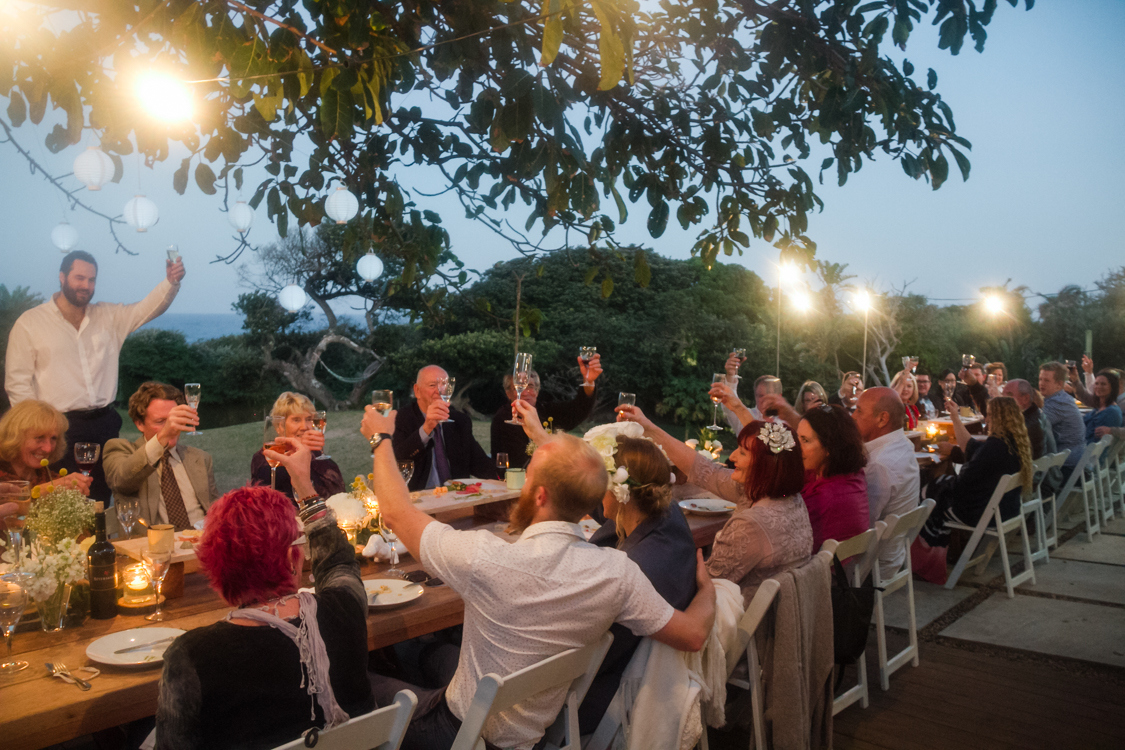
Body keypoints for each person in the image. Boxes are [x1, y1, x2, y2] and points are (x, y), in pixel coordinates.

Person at [366, 400, 716, 750]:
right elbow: (694, 634)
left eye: (528, 473)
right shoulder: (617, 572)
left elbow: (396, 513)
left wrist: (380, 439)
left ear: (541, 494)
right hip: (530, 733)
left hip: (460, 733)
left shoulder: (487, 559)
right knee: (428, 655)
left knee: (355, 687)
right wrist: (708, 590)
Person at [156, 437, 374, 749]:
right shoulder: (345, 608)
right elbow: (339, 563)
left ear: (214, 565)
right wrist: (305, 487)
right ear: (289, 559)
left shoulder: (191, 655)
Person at [4, 250, 184, 502]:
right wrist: (37, 431)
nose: (85, 286)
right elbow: (17, 384)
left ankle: (103, 540)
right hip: (59, 428)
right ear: (62, 277)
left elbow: (147, 309)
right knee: (62, 497)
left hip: (105, 424)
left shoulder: (109, 316)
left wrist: (171, 282)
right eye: (79, 278)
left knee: (103, 495)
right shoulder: (30, 323)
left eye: (91, 280)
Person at [615, 404, 812, 604]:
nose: (732, 457)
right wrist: (648, 427)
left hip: (738, 622)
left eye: (743, 453)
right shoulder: (790, 498)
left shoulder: (750, 525)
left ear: (766, 467)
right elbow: (705, 470)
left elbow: (702, 586)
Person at [571, 426, 696, 734]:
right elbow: (611, 512)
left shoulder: (632, 570)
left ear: (617, 491)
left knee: (440, 654)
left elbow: (582, 653)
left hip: (597, 701)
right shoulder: (670, 517)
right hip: (638, 680)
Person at [919, 396, 1033, 548]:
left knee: (929, 494)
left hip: (981, 514)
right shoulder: (1013, 443)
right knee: (940, 486)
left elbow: (964, 483)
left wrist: (941, 480)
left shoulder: (995, 447)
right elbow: (971, 447)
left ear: (1000, 418)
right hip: (1007, 510)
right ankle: (942, 547)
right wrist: (954, 416)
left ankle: (931, 548)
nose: (987, 418)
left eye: (991, 414)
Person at [103, 382, 218, 531]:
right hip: (151, 548)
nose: (171, 427)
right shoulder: (120, 450)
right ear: (140, 424)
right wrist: (162, 437)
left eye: (173, 420)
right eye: (161, 422)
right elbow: (122, 479)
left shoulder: (200, 458)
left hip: (200, 544)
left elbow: (218, 511)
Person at [392, 365, 497, 491]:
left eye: (444, 385)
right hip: (419, 499)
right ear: (417, 391)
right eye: (432, 385)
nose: (439, 390)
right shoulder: (401, 419)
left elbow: (480, 463)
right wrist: (426, 428)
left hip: (455, 499)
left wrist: (508, 478)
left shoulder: (459, 420)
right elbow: (397, 459)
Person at [852, 388, 921, 578]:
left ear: (882, 419)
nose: (852, 416)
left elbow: (862, 527)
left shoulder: (879, 465)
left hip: (873, 564)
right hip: (895, 554)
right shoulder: (903, 444)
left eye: (858, 410)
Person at [490, 352, 602, 469]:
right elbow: (513, 461)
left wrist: (588, 381)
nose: (525, 391)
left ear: (537, 391)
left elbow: (578, 410)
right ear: (508, 393)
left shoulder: (546, 411)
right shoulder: (503, 419)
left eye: (530, 386)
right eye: (519, 386)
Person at [251, 392, 344, 503]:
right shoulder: (265, 458)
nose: (304, 427)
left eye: (309, 419)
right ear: (280, 426)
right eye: (296, 420)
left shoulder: (319, 456)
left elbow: (340, 496)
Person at [0, 400, 91, 497]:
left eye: (53, 438)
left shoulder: (50, 478)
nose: (48, 449)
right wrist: (44, 490)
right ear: (15, 437)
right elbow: (9, 503)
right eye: (39, 437)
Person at [1038, 362, 1085, 475]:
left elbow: (1033, 425)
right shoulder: (1061, 398)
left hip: (1067, 467)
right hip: (1076, 461)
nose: (1041, 384)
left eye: (1046, 381)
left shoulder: (1058, 403)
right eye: (1040, 379)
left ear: (1059, 384)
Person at [716, 372, 783, 434]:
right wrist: (731, 376)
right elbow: (730, 404)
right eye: (760, 396)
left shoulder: (787, 423)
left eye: (769, 396)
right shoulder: (745, 415)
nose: (764, 400)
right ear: (755, 395)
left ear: (779, 396)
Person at [1001, 379, 1050, 459]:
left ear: (1026, 399)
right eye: (1002, 395)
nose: (1002, 400)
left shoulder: (1025, 425)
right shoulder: (1036, 415)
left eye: (1009, 395)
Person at [1077, 370, 1123, 444]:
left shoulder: (1111, 412)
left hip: (1090, 453)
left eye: (1103, 384)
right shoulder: (1099, 407)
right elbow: (1086, 398)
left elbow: (1095, 441)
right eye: (1096, 383)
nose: (1098, 387)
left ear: (1112, 387)